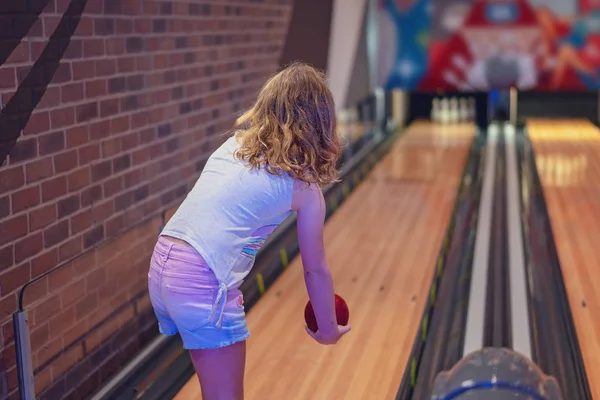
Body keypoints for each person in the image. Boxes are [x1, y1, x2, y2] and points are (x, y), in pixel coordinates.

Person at [147, 62, 352, 400]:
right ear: (323, 124)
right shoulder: (304, 189)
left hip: (162, 267)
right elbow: (315, 270)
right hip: (202, 280)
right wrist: (328, 330)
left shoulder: (233, 146)